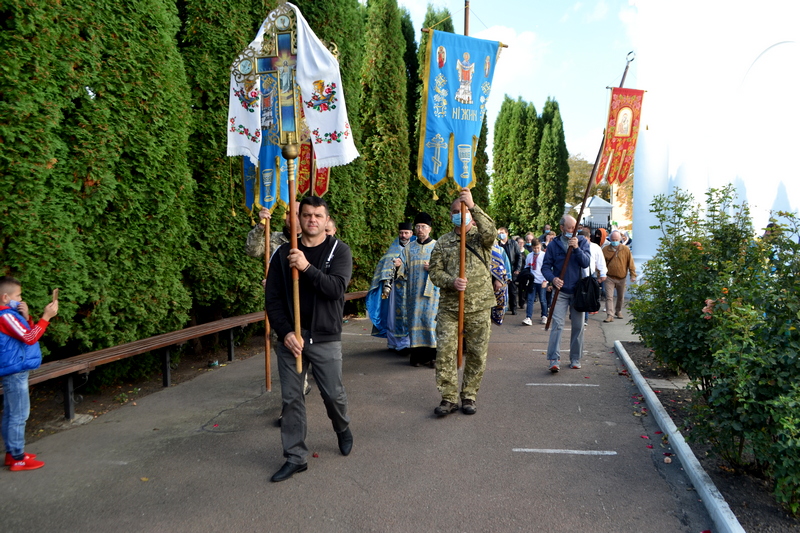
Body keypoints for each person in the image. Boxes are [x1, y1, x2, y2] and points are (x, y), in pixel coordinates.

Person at [264, 196, 353, 482]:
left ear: (327, 220)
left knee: (333, 395)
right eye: (306, 215)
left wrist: (305, 268)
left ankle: (342, 427)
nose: (312, 220)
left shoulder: (339, 251)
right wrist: (286, 332)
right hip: (292, 339)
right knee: (292, 399)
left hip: (325, 337)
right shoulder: (282, 254)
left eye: (318, 215)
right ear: (298, 219)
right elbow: (273, 299)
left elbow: (336, 289)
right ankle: (295, 456)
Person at [428, 188, 496, 416]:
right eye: (456, 210)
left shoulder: (480, 238)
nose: (460, 213)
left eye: (463, 210)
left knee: (477, 353)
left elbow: (491, 232)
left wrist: (474, 206)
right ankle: (448, 397)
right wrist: (450, 281)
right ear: (451, 215)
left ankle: (469, 395)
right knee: (445, 352)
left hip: (479, 305)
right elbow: (434, 272)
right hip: (450, 306)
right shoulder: (443, 242)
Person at [0, 276, 59, 471]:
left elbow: (25, 333)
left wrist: (26, 317)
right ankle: (18, 458)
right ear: (6, 297)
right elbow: (30, 338)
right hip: (15, 371)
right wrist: (46, 317)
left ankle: (12, 453)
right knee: (19, 415)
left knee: (11, 413)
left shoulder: (10, 314)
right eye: (18, 295)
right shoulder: (5, 316)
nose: (21, 298)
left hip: (16, 369)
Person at [541, 215, 591, 372]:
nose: (573, 230)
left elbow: (586, 262)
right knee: (557, 324)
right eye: (570, 228)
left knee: (578, 326)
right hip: (560, 291)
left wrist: (576, 249)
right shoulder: (554, 245)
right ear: (562, 228)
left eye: (575, 227)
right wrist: (553, 279)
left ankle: (575, 358)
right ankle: (554, 359)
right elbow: (545, 267)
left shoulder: (582, 241)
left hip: (578, 291)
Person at [392, 213, 440, 368]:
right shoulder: (409, 248)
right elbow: (402, 269)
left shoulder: (437, 247)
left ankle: (433, 357)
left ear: (430, 229)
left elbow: (446, 268)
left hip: (432, 294)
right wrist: (399, 265)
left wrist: (432, 267)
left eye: (423, 227)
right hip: (413, 293)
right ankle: (417, 357)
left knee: (430, 323)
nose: (420, 229)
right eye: (418, 226)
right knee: (414, 323)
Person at [366, 223, 415, 354]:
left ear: (411, 233)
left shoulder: (416, 248)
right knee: (394, 316)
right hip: (395, 289)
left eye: (406, 233)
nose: (403, 235)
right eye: (401, 233)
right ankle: (395, 343)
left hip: (411, 288)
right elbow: (384, 268)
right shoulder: (392, 250)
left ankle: (409, 343)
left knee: (410, 315)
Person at [602, 230, 637, 323]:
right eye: (613, 239)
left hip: (622, 277)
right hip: (609, 277)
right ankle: (610, 314)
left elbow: (631, 263)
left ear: (620, 239)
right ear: (610, 239)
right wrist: (600, 275)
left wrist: (633, 274)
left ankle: (618, 311)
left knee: (620, 296)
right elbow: (601, 264)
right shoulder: (605, 250)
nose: (614, 241)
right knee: (609, 297)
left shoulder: (625, 250)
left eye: (616, 239)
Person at [581, 228, 608, 323]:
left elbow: (600, 260)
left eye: (585, 239)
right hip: (577, 274)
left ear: (589, 238)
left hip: (590, 274)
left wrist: (603, 273)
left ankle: (585, 317)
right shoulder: (576, 246)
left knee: (587, 295)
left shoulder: (595, 247)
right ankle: (577, 314)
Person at [522, 239, 548, 325]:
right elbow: (527, 267)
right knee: (530, 299)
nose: (536, 250)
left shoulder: (544, 255)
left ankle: (544, 315)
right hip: (532, 281)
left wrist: (545, 280)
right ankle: (528, 317)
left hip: (542, 281)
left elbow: (547, 268)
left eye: (538, 248)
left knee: (543, 299)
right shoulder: (529, 256)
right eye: (534, 248)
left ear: (540, 246)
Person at [496, 227, 521, 315]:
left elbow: (518, 256)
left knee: (512, 290)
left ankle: (513, 308)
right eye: (499, 233)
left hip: (512, 269)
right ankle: (501, 308)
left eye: (502, 232)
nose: (500, 235)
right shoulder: (497, 244)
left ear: (507, 233)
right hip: (500, 271)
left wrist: (518, 269)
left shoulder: (513, 243)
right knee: (500, 290)